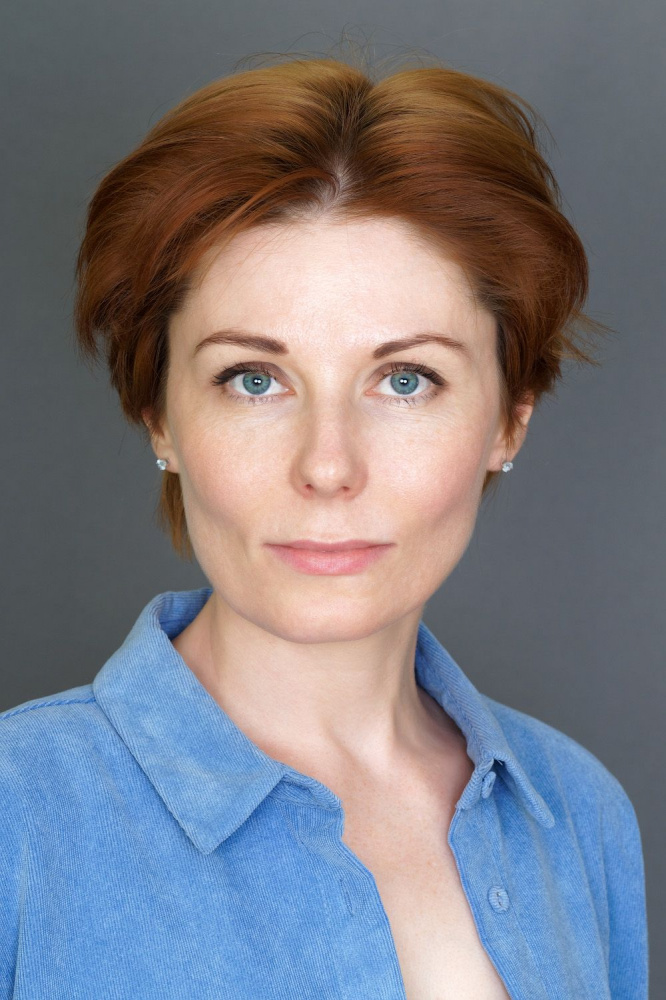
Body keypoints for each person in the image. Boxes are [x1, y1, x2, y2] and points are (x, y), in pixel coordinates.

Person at [0, 48, 648, 1000]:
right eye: (254, 380)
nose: (328, 466)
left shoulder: (579, 812)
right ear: (161, 418)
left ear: (510, 421)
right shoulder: (17, 814)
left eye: (406, 379)